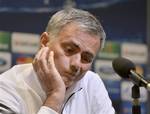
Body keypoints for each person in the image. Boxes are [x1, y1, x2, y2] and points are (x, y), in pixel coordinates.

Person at [0, 8, 115, 114]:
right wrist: (55, 97)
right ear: (45, 42)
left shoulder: (92, 83)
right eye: (69, 50)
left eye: (86, 58)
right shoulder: (6, 86)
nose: (76, 64)